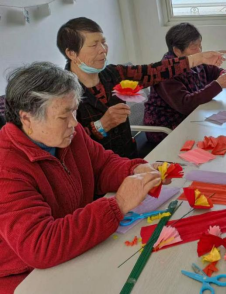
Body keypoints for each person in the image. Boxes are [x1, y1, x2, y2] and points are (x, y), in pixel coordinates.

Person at [0, 62, 171, 293]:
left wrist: (135, 170)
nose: (74, 122)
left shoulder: (70, 133)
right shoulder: (6, 169)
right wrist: (118, 204)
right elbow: (40, 246)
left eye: (74, 111)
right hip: (26, 277)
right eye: (64, 115)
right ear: (27, 119)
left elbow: (102, 165)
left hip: (74, 247)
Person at [56, 17, 226, 158]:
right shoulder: (62, 93)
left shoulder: (113, 73)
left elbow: (154, 71)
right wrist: (101, 126)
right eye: (94, 45)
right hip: (97, 171)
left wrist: (199, 58)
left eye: (103, 42)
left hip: (128, 157)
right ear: (71, 53)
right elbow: (65, 145)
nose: (103, 50)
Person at [144, 23, 226, 144]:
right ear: (177, 51)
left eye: (200, 46)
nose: (199, 51)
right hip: (168, 128)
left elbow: (213, 72)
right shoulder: (166, 71)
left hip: (192, 117)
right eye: (194, 47)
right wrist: (218, 85)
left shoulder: (194, 60)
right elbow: (186, 105)